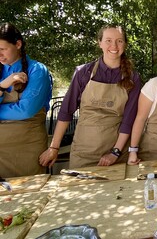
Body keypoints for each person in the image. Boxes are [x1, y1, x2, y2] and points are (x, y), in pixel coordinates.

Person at [39, 24, 141, 169]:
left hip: (116, 154)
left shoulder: (133, 78)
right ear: (99, 43)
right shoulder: (83, 73)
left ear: (125, 44)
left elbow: (129, 120)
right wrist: (54, 148)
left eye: (119, 41)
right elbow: (66, 112)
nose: (114, 45)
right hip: (83, 153)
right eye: (108, 40)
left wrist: (115, 152)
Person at [0, 23, 52, 177]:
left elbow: (26, 110)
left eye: (3, 49)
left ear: (18, 44)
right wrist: (3, 84)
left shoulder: (37, 70)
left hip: (27, 148)